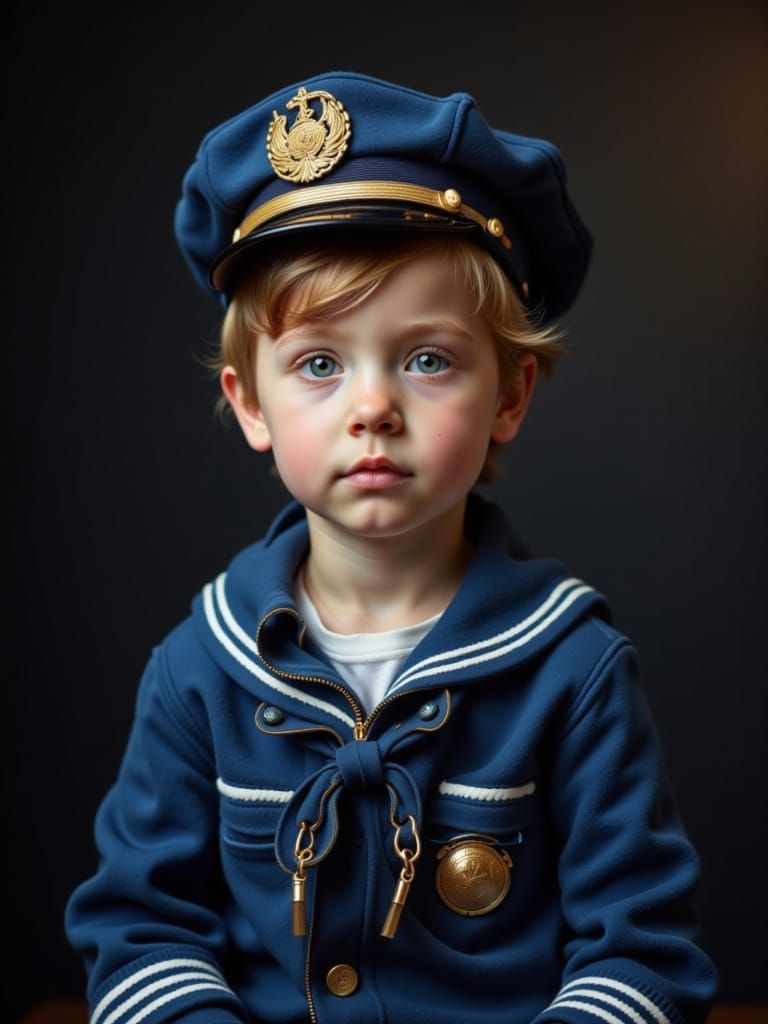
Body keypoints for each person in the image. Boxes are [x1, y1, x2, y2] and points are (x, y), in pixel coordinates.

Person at [65, 71, 717, 1024]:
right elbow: (140, 934)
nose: (373, 408)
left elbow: (644, 955)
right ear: (251, 403)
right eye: (319, 364)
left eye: (427, 359)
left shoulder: (573, 671)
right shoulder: (199, 669)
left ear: (509, 396)